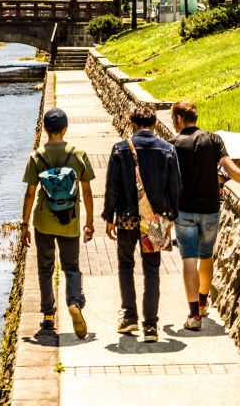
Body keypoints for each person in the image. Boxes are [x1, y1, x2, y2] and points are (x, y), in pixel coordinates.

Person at [169, 101, 240, 331]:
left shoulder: (172, 144)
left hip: (184, 210)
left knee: (189, 260)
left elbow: (167, 178)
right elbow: (230, 170)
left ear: (180, 119)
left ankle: (194, 315)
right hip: (210, 209)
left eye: (174, 119)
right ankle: (203, 301)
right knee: (206, 256)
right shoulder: (213, 140)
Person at [103, 104, 181, 343]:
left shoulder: (120, 149)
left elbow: (112, 187)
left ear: (132, 124)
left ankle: (129, 317)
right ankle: (151, 326)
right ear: (155, 124)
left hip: (126, 217)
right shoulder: (167, 149)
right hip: (155, 220)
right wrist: (171, 217)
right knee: (151, 269)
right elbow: (175, 187)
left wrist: (109, 217)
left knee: (126, 265)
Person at [21, 107, 96, 339]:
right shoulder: (79, 154)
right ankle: (74, 302)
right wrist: (90, 221)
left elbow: (30, 194)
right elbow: (87, 190)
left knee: (45, 267)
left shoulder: (37, 156)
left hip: (43, 220)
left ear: (45, 129)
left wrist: (24, 224)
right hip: (70, 220)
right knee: (71, 267)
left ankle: (48, 315)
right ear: (66, 128)